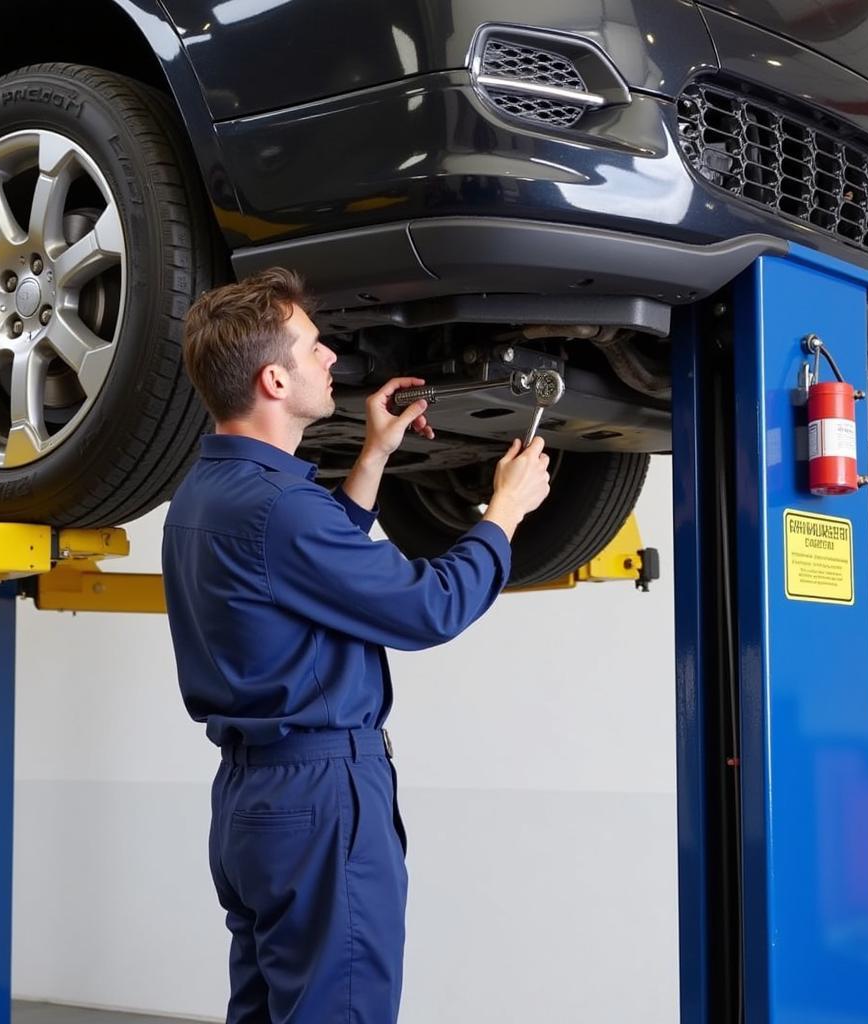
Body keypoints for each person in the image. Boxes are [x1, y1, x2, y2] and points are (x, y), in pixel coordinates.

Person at [161, 267, 551, 1024]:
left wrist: (373, 456)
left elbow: (305, 566)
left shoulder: (204, 497)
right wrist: (503, 513)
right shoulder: (282, 510)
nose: (332, 357)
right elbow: (428, 609)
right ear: (274, 379)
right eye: (314, 349)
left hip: (252, 803)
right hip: (320, 797)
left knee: (270, 1011)